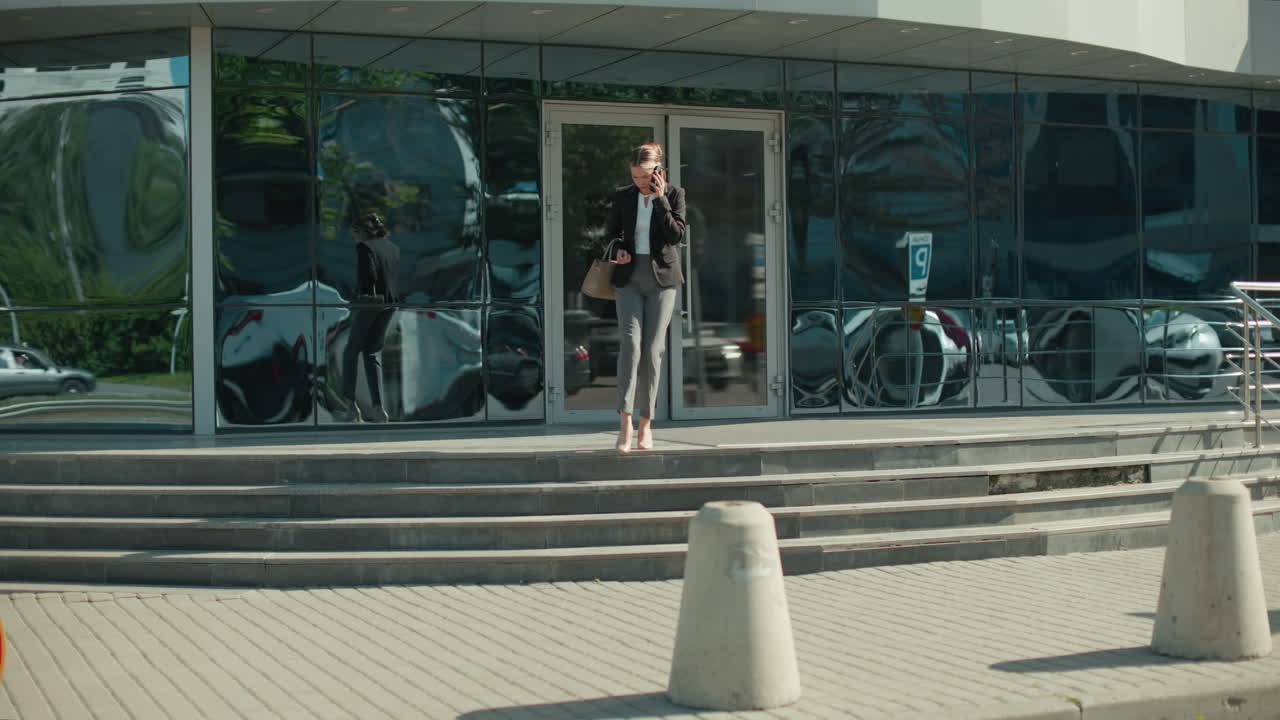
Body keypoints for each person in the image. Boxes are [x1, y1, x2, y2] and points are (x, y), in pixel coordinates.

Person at [606, 142, 688, 452]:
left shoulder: (675, 195)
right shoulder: (623, 196)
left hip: (662, 280)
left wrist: (660, 198)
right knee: (631, 346)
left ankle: (646, 424)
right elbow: (609, 234)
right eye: (636, 176)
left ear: (658, 171)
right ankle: (624, 421)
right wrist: (618, 250)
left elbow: (676, 236)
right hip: (628, 279)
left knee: (653, 350)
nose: (640, 182)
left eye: (645, 176)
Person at [336, 212, 400, 424]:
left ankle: (351, 406)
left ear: (361, 231)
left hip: (371, 304)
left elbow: (369, 276)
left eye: (354, 234)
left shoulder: (365, 247)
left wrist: (359, 295)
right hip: (390, 304)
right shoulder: (393, 248)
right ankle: (379, 408)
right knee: (371, 353)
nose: (354, 239)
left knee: (351, 351)